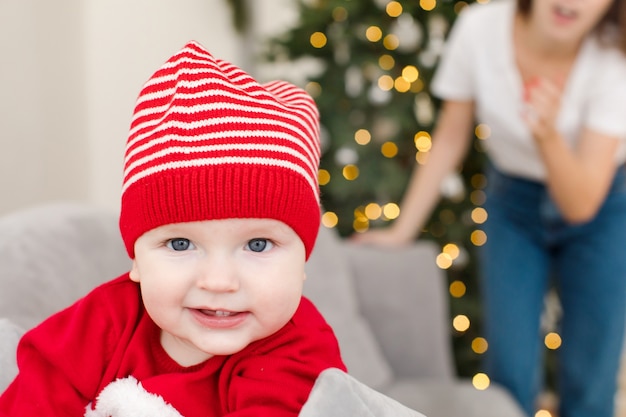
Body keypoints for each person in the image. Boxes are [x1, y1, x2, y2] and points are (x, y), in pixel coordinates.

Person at [0, 41, 346, 417]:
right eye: (180, 243)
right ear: (136, 259)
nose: (218, 281)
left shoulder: (299, 350)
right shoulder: (105, 321)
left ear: (303, 262)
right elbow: (35, 395)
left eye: (258, 244)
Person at [352, 0, 626, 416]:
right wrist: (400, 232)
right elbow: (449, 136)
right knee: (509, 371)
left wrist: (548, 136)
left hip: (601, 207)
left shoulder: (614, 56)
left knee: (591, 377)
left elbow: (581, 204)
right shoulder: (480, 29)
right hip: (512, 203)